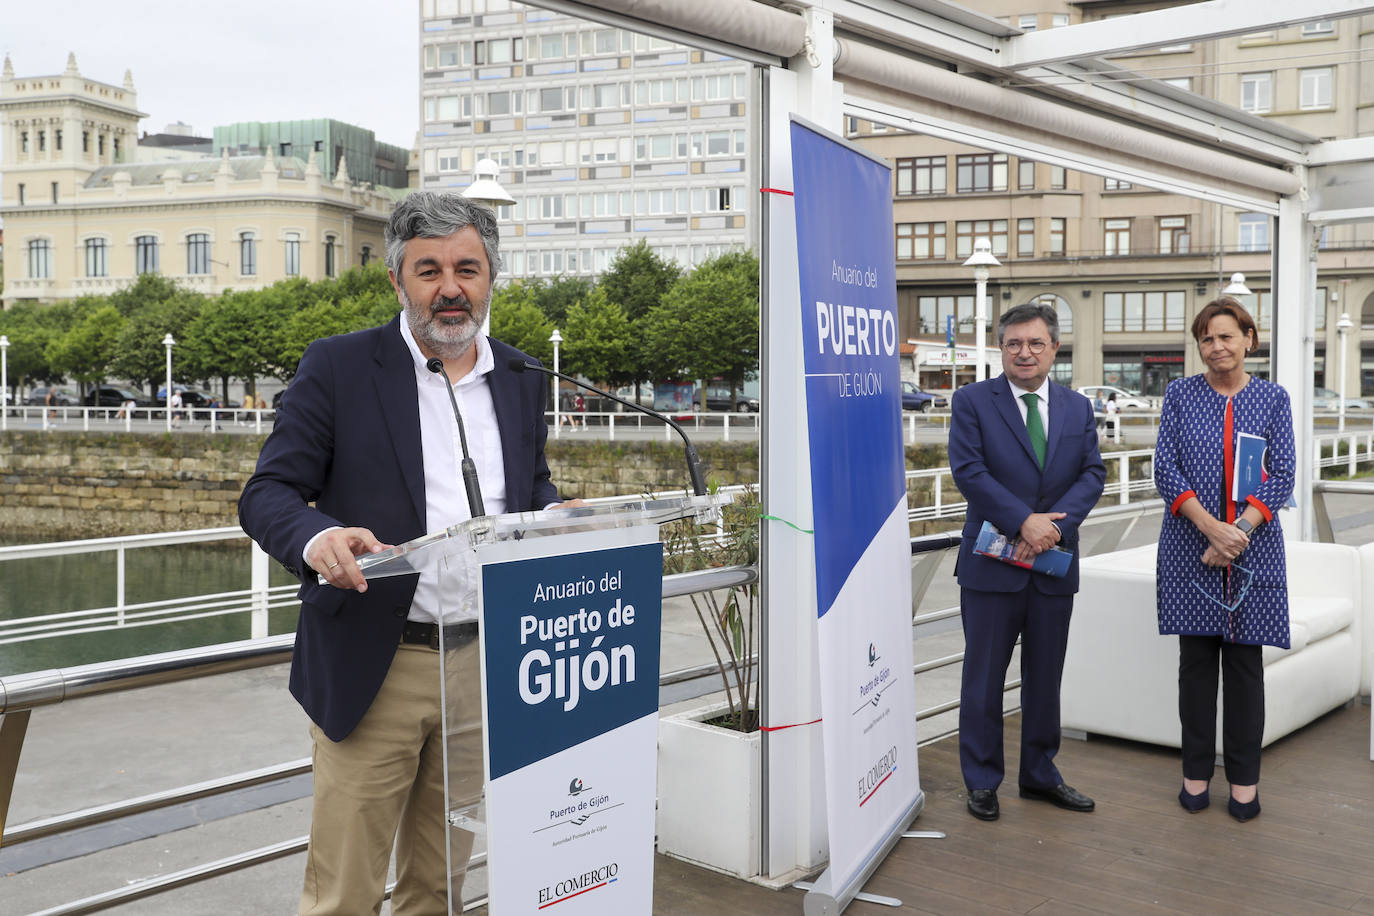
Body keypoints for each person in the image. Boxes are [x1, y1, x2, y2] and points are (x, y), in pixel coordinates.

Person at [238, 191, 580, 914]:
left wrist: (554, 514)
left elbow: (529, 482)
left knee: (440, 881)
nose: (450, 288)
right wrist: (316, 537)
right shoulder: (337, 367)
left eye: (467, 268)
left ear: (491, 278)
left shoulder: (520, 376)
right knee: (345, 890)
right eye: (429, 270)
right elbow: (268, 492)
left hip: (488, 662)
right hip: (378, 663)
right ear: (397, 281)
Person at [948, 301, 1106, 822]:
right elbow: (969, 471)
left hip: (1054, 563)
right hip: (993, 567)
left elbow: (1092, 475)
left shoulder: (1077, 408)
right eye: (1014, 343)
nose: (1025, 352)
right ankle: (982, 780)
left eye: (1036, 343)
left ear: (1054, 349)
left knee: (1045, 677)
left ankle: (1040, 774)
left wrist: (1054, 528)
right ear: (1001, 348)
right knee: (983, 679)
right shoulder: (971, 401)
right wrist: (1024, 522)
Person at [1153, 297, 1294, 822]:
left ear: (1249, 340)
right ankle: (1194, 778)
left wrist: (1237, 532)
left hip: (1253, 551)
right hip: (1190, 546)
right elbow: (1165, 470)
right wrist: (1211, 527)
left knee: (1244, 672)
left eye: (1226, 336)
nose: (1216, 347)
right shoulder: (1180, 396)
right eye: (1207, 339)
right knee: (1194, 671)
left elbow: (1282, 475)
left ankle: (1244, 783)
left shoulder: (1274, 400)